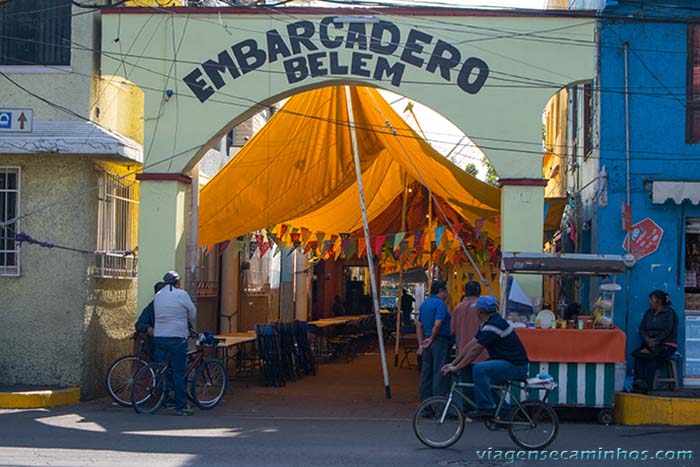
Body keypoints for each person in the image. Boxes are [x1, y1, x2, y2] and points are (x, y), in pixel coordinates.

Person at [442, 296, 529, 420]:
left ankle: (486, 407)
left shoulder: (493, 326)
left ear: (479, 311)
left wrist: (457, 367)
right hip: (508, 362)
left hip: (514, 365)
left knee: (479, 369)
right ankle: (505, 414)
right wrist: (453, 363)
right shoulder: (488, 324)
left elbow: (475, 351)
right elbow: (470, 344)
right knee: (483, 383)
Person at [153, 271, 197, 416]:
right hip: (177, 337)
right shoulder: (182, 295)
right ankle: (182, 406)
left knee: (163, 368)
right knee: (179, 373)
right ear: (177, 282)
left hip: (159, 336)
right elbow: (192, 313)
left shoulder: (158, 295)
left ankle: (160, 397)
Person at [448, 281, 489, 407]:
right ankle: (483, 407)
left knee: (466, 382)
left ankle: (468, 410)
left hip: (463, 353)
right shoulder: (482, 308)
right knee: (483, 382)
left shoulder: (458, 308)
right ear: (479, 291)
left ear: (465, 291)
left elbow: (452, 331)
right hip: (482, 352)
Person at [631, 290, 678, 394]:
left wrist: (656, 341)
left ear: (659, 301)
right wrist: (647, 340)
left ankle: (646, 386)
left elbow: (668, 331)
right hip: (649, 344)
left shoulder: (670, 313)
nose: (650, 302)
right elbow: (642, 330)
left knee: (651, 359)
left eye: (651, 300)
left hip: (666, 345)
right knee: (639, 355)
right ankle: (638, 383)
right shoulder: (649, 313)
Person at [416, 281, 452, 402]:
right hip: (439, 340)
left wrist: (421, 344)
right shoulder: (440, 304)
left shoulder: (424, 304)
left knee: (426, 373)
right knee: (439, 373)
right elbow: (438, 324)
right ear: (441, 291)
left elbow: (419, 325)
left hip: (426, 341)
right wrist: (432, 338)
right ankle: (439, 406)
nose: (447, 294)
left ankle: (425, 405)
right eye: (446, 291)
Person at [134, 281, 166, 357]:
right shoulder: (151, 309)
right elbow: (139, 324)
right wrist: (147, 328)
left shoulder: (173, 306)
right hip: (156, 344)